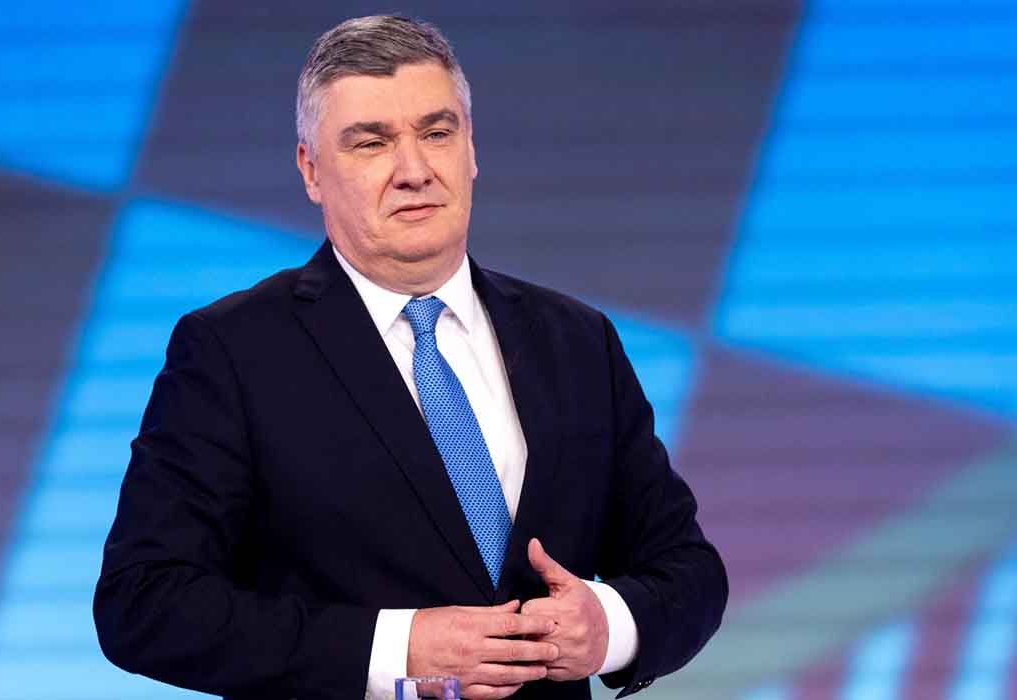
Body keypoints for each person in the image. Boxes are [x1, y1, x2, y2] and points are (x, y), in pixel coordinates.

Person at [94, 15, 726, 700]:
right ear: (311, 169)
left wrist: (608, 626)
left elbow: (687, 570)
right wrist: (399, 648)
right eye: (372, 143)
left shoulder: (577, 341)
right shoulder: (232, 351)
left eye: (436, 133)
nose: (415, 171)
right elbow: (145, 602)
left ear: (472, 148)